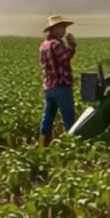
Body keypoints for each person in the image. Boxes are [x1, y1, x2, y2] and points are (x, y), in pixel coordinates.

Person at [38, 15, 77, 144]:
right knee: (68, 117)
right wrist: (72, 46)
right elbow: (65, 59)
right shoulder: (56, 44)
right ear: (54, 29)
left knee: (48, 117)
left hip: (49, 87)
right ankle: (70, 144)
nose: (64, 30)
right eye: (62, 27)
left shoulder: (43, 45)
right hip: (61, 85)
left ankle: (43, 143)